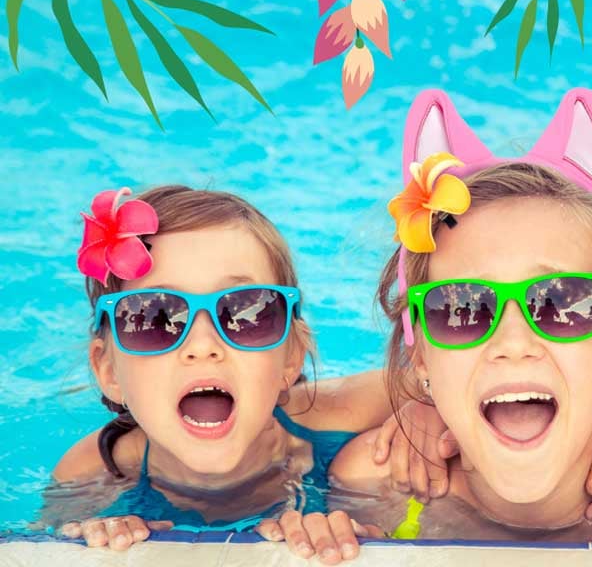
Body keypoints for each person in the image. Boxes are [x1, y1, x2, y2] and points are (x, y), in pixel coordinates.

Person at [261, 89, 592, 563]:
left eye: (562, 303)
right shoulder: (377, 485)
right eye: (461, 309)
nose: (513, 343)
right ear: (420, 357)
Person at [47, 186, 391, 556]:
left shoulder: (344, 415)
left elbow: (428, 382)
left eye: (246, 312)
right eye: (155, 317)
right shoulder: (90, 474)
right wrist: (100, 532)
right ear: (108, 370)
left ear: (291, 357)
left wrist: (422, 417)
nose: (203, 346)